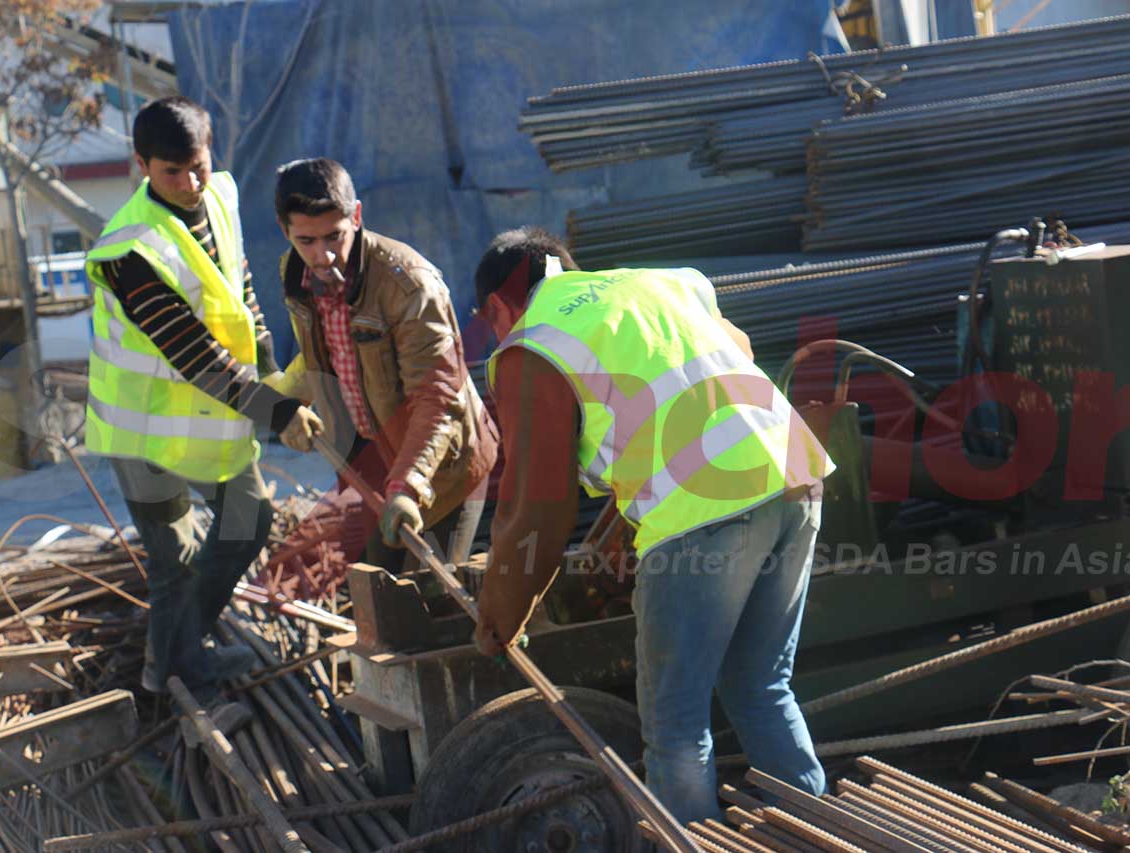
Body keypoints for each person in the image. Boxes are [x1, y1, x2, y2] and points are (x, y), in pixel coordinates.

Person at [470, 228, 835, 822]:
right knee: (761, 687)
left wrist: (501, 613)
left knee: (675, 726)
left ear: (496, 306)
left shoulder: (531, 345)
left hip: (704, 513)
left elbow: (537, 508)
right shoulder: (668, 282)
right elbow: (725, 363)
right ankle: (819, 832)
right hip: (795, 476)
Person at [85, 97, 323, 704]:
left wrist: (273, 368)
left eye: (199, 165)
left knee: (249, 520)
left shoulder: (220, 193)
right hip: (142, 433)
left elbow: (236, 286)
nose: (191, 183)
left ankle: (178, 651)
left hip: (207, 415)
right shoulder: (128, 252)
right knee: (173, 565)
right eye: (173, 172)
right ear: (141, 165)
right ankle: (168, 683)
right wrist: (278, 413)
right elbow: (193, 354)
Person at [272, 158, 497, 572]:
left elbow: (437, 398)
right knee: (380, 591)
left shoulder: (409, 285)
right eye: (306, 241)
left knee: (435, 597)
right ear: (285, 231)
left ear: (356, 216)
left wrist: (409, 485)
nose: (323, 256)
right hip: (370, 467)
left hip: (441, 470)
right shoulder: (295, 273)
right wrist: (284, 406)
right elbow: (327, 355)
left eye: (333, 237)